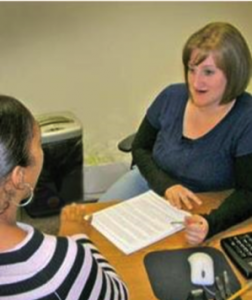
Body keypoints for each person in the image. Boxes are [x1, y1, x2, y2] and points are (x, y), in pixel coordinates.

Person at [99, 22, 252, 244]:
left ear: (233, 73)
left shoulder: (246, 118)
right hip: (150, 181)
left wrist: (211, 223)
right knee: (92, 227)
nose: (196, 82)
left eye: (208, 72)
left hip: (203, 201)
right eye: (192, 69)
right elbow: (140, 148)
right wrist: (166, 186)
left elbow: (249, 192)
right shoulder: (170, 96)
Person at [0, 95, 128, 300]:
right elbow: (119, 295)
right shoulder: (59, 265)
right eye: (39, 143)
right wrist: (76, 237)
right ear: (19, 177)